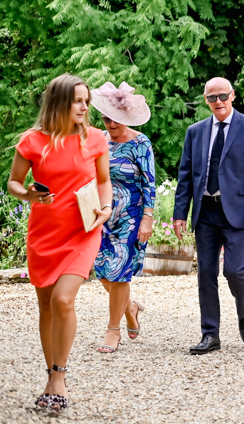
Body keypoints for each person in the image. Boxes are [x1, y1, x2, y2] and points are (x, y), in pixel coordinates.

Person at [8, 74, 112, 411]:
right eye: (77, 101)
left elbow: (104, 180)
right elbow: (14, 183)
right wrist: (28, 194)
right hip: (44, 234)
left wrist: (107, 207)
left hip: (83, 231)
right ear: (59, 102)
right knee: (47, 306)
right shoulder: (32, 141)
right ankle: (50, 373)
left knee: (63, 299)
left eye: (86, 101)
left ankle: (59, 378)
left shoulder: (95, 139)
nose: (84, 107)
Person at [173, 77, 244, 355]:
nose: (218, 102)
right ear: (206, 100)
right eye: (212, 98)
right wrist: (180, 213)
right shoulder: (195, 132)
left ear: (233, 95)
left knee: (234, 270)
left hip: (237, 212)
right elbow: (185, 175)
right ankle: (210, 334)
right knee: (206, 273)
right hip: (205, 211)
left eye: (223, 96)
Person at [90, 82, 155, 353]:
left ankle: (113, 330)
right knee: (100, 269)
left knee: (119, 272)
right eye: (106, 119)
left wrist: (147, 218)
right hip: (100, 215)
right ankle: (130, 307)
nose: (111, 123)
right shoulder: (99, 141)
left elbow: (149, 183)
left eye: (116, 119)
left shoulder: (140, 143)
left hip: (131, 216)